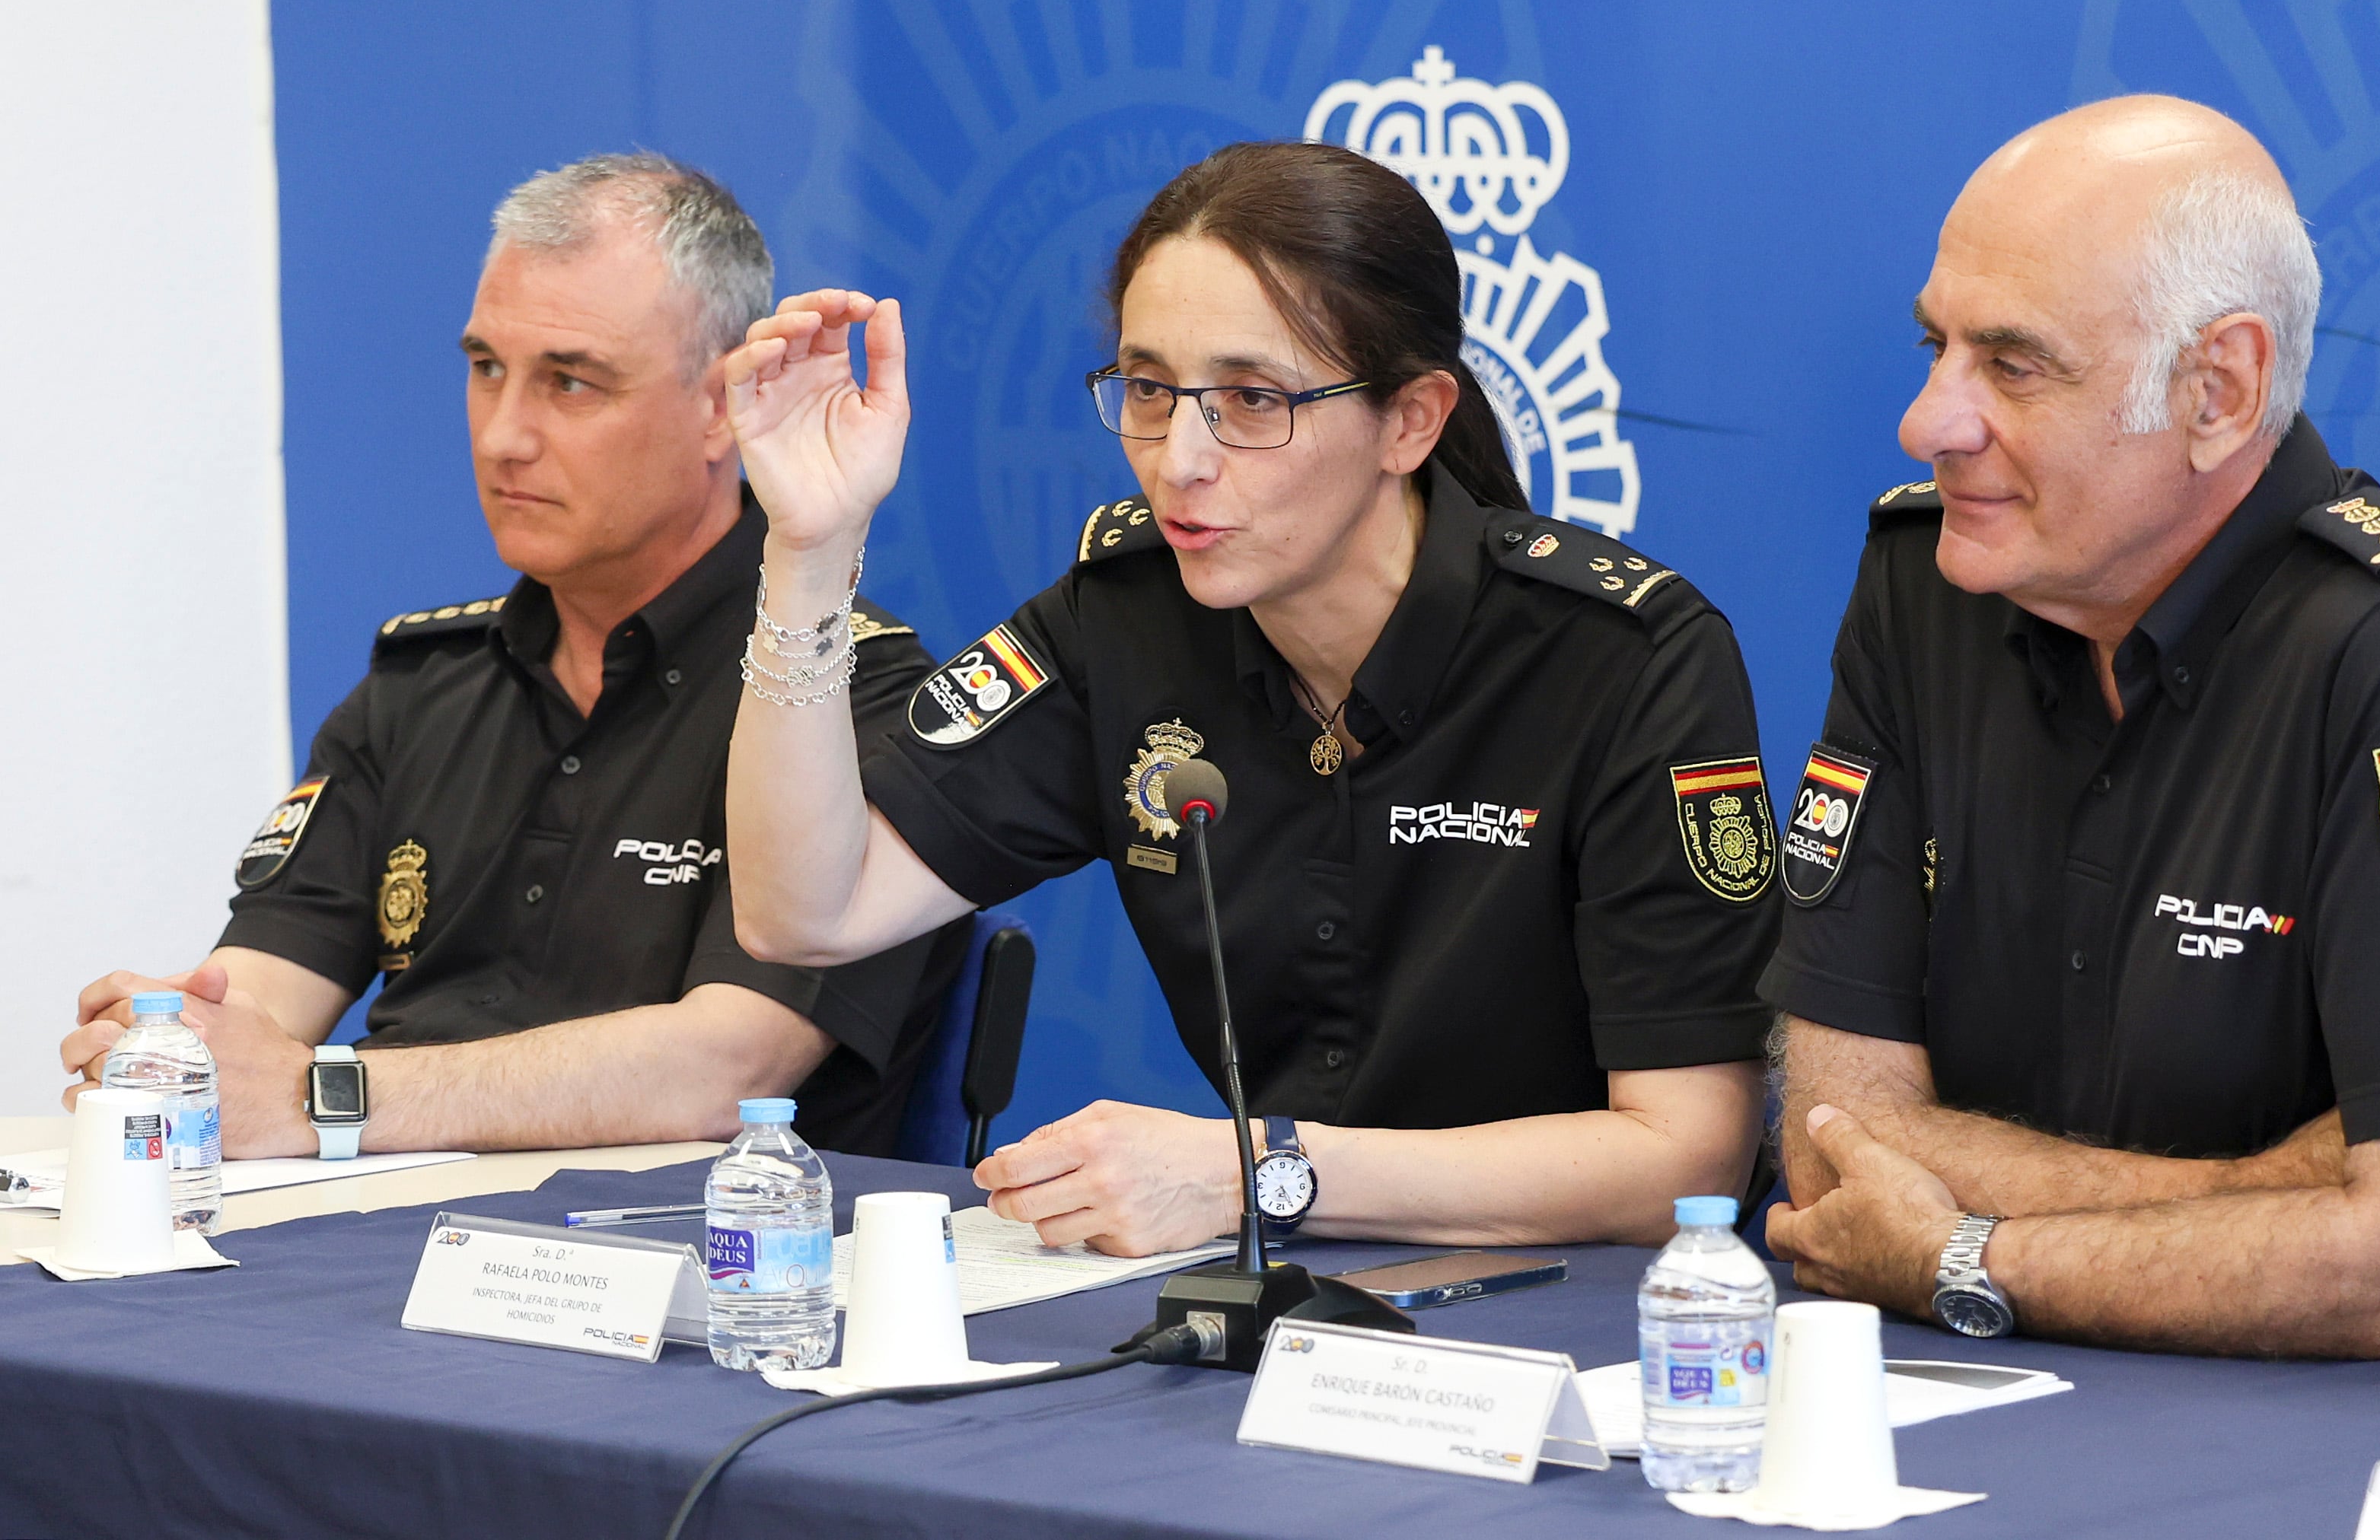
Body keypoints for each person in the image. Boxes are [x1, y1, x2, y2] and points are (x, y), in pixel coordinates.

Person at [1764, 95, 2380, 1361]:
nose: (1930, 421)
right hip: (2073, 1397)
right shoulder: (1926, 583)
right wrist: (2293, 1198)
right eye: (1936, 345)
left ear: (2219, 389)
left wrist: (1964, 1254)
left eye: (2014, 365)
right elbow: (1838, 1152)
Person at [718, 140, 1777, 1255]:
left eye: (1253, 399)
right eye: (1149, 389)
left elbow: (1686, 1158)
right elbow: (804, 914)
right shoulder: (1125, 615)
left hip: (1574, 1316)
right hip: (1280, 1293)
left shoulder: (1624, 658)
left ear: (1411, 421)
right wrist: (809, 548)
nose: (1180, 459)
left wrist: (1258, 1171)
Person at [59, 153, 967, 1160]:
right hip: (374, 1229)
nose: (503, 436)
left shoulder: (844, 695)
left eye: (570, 382)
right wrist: (177, 1045)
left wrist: (325, 1098)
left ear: (724, 404)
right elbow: (264, 987)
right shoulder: (420, 687)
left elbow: (728, 1069)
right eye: (487, 367)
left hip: (702, 1241)